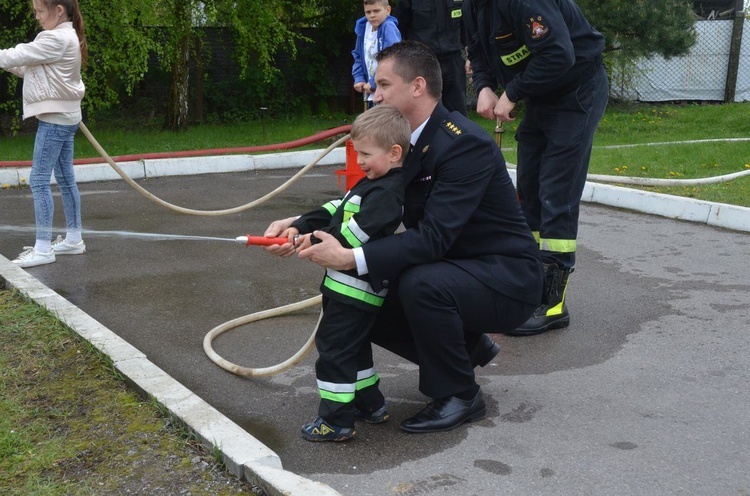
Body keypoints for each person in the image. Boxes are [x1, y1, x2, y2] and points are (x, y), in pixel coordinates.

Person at [266, 41, 543, 435]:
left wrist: (348, 258)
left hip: (506, 277)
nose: (374, 94)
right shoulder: (400, 141)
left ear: (417, 87)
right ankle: (464, 347)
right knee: (362, 293)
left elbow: (432, 239)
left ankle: (459, 393)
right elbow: (361, 201)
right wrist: (299, 225)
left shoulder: (463, 144)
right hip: (456, 268)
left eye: (383, 84)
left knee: (418, 284)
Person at [264, 105, 410, 442]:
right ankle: (370, 404)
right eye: (357, 152)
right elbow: (337, 209)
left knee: (334, 350)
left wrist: (304, 242)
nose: (358, 161)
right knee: (354, 349)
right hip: (344, 289)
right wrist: (299, 225)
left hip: (355, 292)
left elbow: (349, 238)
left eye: (365, 154)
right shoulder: (374, 182)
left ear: (394, 152)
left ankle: (335, 420)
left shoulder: (388, 194)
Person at [463, 0, 609, 335]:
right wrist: (484, 86)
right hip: (542, 94)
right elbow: (478, 47)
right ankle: (527, 286)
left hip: (577, 91)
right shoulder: (474, 5)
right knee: (528, 193)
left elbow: (559, 53)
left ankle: (552, 303)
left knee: (557, 196)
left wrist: (512, 92)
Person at [0, 0, 87, 268]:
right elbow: (26, 67)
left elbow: (18, 54)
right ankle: (73, 239)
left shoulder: (55, 38)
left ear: (58, 10)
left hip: (54, 122)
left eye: (39, 11)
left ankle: (42, 248)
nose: (36, 17)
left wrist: (6, 59)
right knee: (64, 178)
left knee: (38, 180)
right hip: (66, 118)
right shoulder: (65, 36)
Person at [393, 0, 468, 116]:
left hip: (453, 61)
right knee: (428, 114)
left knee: (458, 114)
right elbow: (399, 28)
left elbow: (466, 28)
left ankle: (458, 134)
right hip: (422, 63)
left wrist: (470, 56)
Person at [352, 0, 401, 110]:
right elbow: (358, 55)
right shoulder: (363, 28)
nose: (372, 15)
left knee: (385, 124)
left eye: (376, 11)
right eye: (368, 12)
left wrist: (374, 81)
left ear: (387, 10)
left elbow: (393, 57)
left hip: (387, 90)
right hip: (371, 91)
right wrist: (359, 77)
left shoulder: (389, 27)